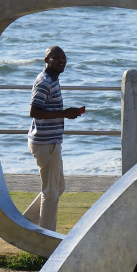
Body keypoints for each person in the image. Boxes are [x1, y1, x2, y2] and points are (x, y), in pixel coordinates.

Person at [22, 46, 87, 231]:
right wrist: (64, 113)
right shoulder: (45, 82)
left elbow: (46, 109)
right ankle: (46, 237)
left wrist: (65, 114)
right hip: (46, 143)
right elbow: (34, 111)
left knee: (58, 186)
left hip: (50, 142)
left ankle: (26, 222)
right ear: (46, 60)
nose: (61, 60)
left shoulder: (52, 79)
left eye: (63, 57)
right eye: (56, 57)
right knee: (50, 192)